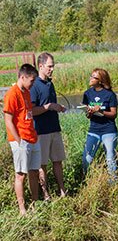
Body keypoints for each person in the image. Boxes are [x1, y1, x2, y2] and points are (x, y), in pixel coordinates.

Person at [3, 64, 41, 215]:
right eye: (31, 80)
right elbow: (8, 120)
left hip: (32, 137)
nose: (33, 84)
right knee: (20, 174)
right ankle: (22, 209)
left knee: (34, 172)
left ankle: (35, 204)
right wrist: (19, 141)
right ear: (22, 77)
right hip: (20, 140)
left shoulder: (26, 92)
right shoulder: (12, 94)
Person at [30, 52, 66, 200]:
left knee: (58, 161)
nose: (52, 69)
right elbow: (31, 111)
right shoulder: (34, 85)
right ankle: (45, 195)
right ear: (41, 66)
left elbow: (50, 105)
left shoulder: (50, 84)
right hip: (41, 131)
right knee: (42, 164)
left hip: (54, 128)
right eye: (49, 66)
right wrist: (48, 107)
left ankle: (62, 191)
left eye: (53, 66)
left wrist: (58, 107)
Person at [82, 68, 118, 181]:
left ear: (101, 80)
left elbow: (114, 114)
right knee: (86, 158)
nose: (91, 78)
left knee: (110, 158)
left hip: (109, 131)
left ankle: (113, 183)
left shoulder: (110, 94)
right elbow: (87, 116)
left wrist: (101, 111)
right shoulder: (87, 94)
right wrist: (89, 112)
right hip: (93, 130)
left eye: (94, 77)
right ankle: (88, 182)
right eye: (91, 76)